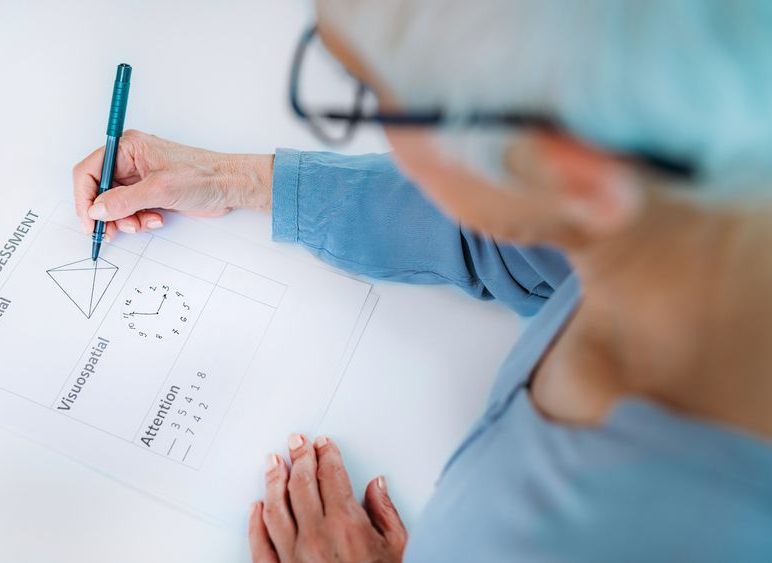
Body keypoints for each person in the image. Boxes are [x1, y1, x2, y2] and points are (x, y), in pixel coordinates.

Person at [73, 1, 772, 561]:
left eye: (375, 94)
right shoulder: (691, 211)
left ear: (567, 171)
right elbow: (517, 233)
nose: (377, 117)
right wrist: (235, 179)